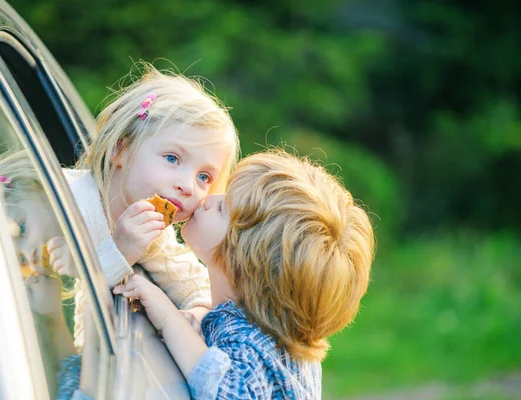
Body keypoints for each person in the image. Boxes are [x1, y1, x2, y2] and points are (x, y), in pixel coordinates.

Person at [117, 150, 375, 399]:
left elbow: (227, 392)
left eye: (223, 209)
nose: (211, 198)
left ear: (242, 262)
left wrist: (169, 320)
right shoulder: (274, 335)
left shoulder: (247, 341)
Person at [54, 62, 240, 350]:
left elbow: (196, 287)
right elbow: (58, 290)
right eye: (172, 158)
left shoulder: (155, 237)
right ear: (120, 149)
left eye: (204, 176)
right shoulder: (63, 199)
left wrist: (193, 315)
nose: (188, 186)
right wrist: (120, 251)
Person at [0, 151, 77, 398]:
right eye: (18, 261)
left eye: (21, 228)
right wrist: (52, 317)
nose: (28, 254)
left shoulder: (110, 215)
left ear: (34, 185)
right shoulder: (80, 274)